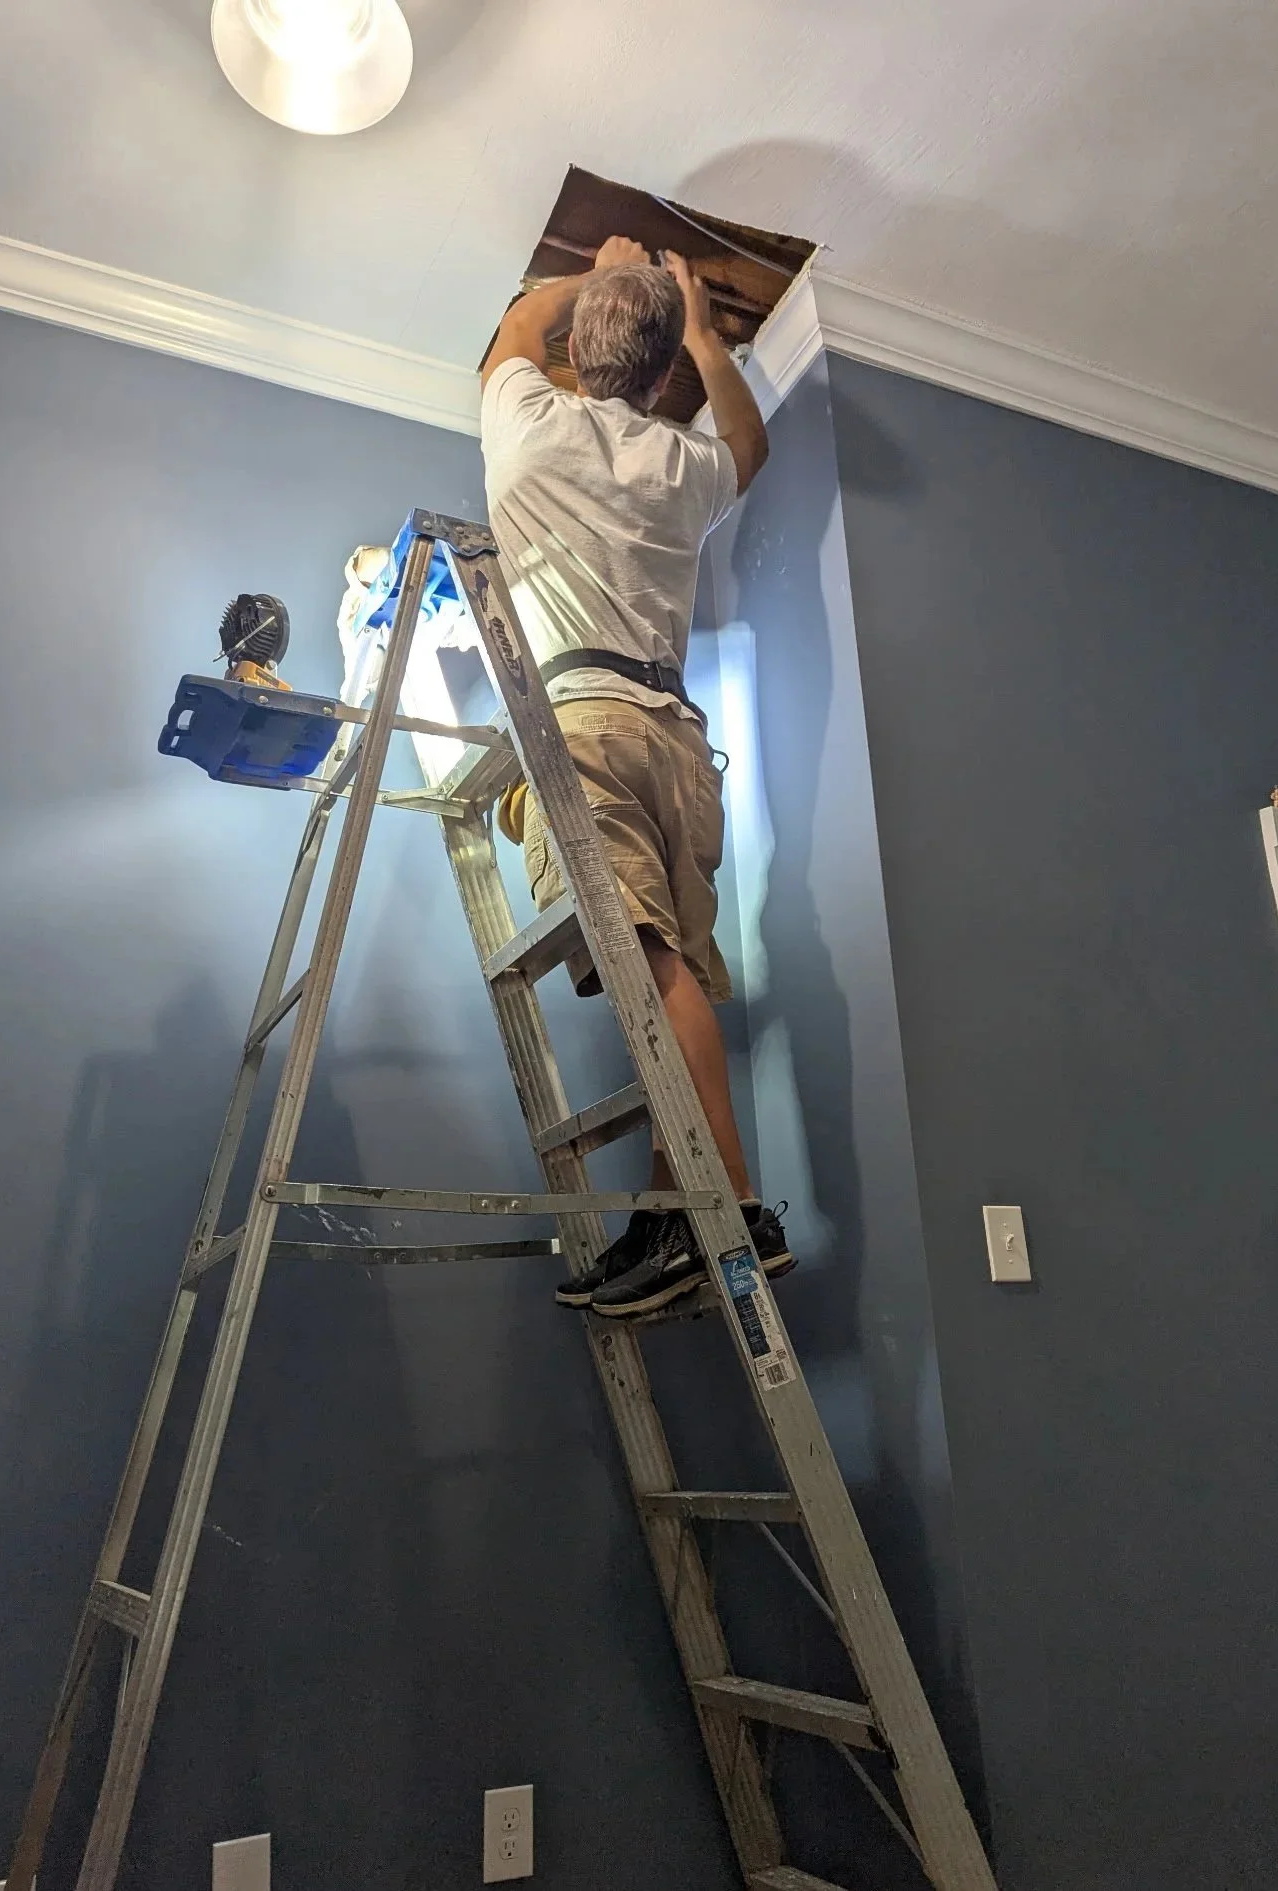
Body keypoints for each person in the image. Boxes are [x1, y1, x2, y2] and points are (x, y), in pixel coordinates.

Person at [479, 235, 790, 1319]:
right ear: (662, 378)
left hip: (586, 730)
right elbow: (748, 445)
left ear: (578, 354)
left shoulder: (529, 431)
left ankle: (735, 1203)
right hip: (677, 740)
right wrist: (703, 332)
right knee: (680, 973)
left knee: (650, 960)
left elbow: (515, 330)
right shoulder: (683, 464)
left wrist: (594, 273)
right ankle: (671, 1218)